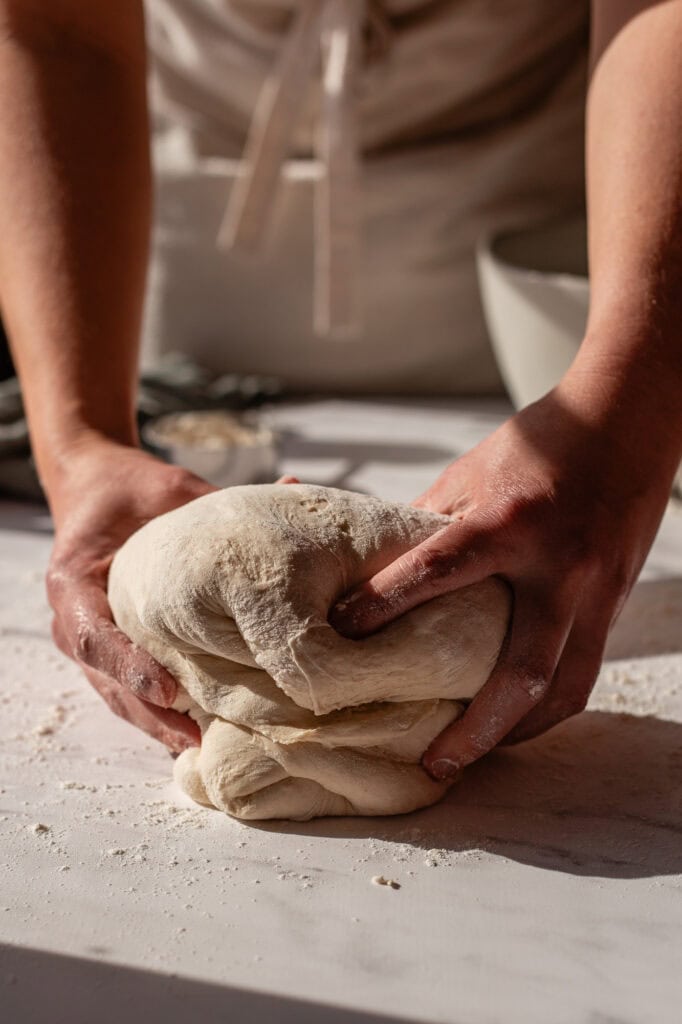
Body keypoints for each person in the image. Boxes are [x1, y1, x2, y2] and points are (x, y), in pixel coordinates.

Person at [0, 0, 680, 778]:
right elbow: (58, 28)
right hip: (179, 271)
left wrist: (629, 407)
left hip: (549, 305)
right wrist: (82, 440)